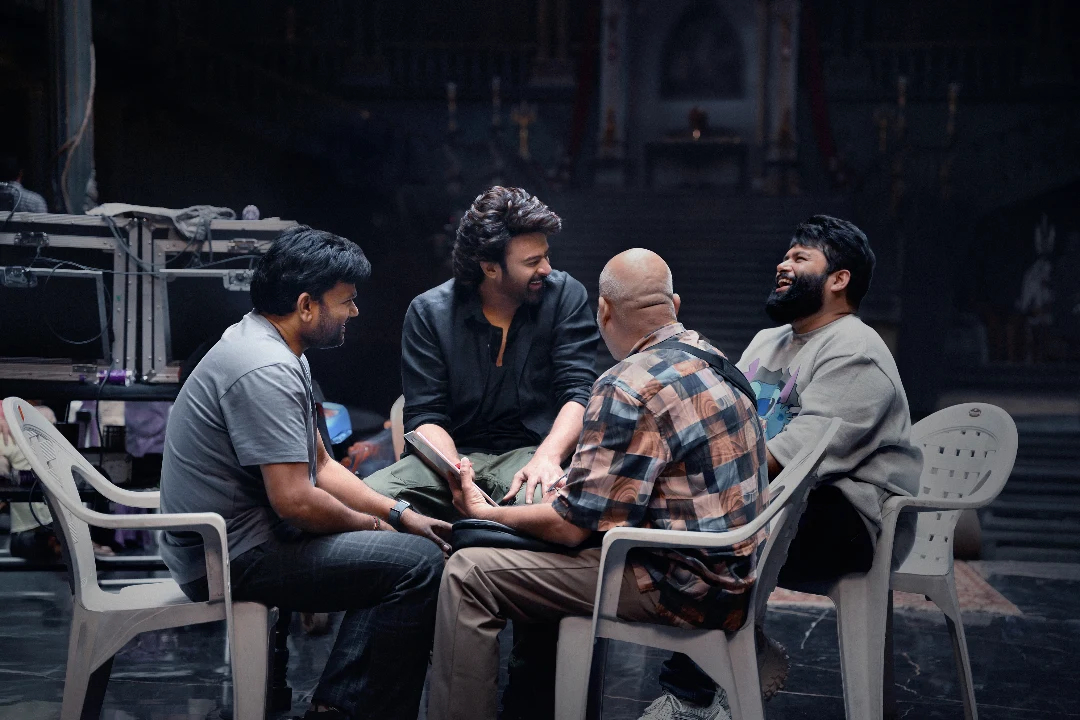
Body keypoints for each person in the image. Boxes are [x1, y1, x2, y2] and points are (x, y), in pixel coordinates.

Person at [427, 249, 769, 720]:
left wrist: (485, 512)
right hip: (732, 573)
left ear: (603, 311)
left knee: (469, 573)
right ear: (674, 304)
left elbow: (572, 529)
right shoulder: (710, 356)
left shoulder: (625, 384)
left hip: (682, 587)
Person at [157, 226, 451, 720]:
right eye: (346, 301)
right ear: (306, 305)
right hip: (226, 558)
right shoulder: (266, 367)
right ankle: (347, 709)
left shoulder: (273, 345)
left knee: (403, 550)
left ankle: (339, 705)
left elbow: (323, 465)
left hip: (240, 542)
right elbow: (294, 501)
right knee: (418, 565)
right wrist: (374, 527)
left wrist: (398, 514)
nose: (354, 312)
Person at [649, 214, 924, 716]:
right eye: (785, 254)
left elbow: (797, 457)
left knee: (716, 518)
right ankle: (736, 652)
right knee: (684, 515)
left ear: (839, 279)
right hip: (777, 498)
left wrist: (692, 479)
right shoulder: (766, 342)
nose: (783, 263)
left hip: (854, 522)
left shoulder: (856, 351)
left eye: (800, 257)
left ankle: (691, 695)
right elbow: (725, 425)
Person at [365, 185, 599, 519]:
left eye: (546, 256)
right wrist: (458, 475)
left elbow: (579, 392)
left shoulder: (564, 295)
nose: (546, 269)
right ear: (489, 268)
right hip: (453, 457)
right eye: (532, 262)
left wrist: (548, 457)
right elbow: (425, 415)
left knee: (556, 513)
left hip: (532, 454)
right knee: (367, 502)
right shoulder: (429, 312)